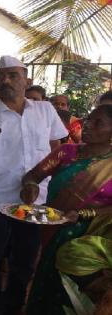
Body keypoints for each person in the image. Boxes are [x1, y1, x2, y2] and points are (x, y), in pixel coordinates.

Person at [0, 55, 68, 315]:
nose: (6, 80)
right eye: (1, 76)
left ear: (27, 80)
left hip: (35, 198)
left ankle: (14, 303)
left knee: (26, 255)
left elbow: (56, 148)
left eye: (13, 75)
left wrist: (43, 179)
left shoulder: (45, 110)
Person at [21, 104, 112, 315]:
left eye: (98, 123)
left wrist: (84, 215)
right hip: (53, 227)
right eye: (88, 119)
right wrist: (31, 186)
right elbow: (32, 176)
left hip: (90, 238)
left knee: (75, 290)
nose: (88, 125)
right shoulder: (66, 152)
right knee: (46, 275)